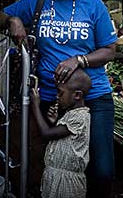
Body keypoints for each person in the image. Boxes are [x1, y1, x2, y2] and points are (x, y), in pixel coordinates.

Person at [0, 0, 117, 198]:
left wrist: (79, 60)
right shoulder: (37, 2)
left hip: (93, 96)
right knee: (53, 161)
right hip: (53, 97)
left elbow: (109, 50)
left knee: (102, 169)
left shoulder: (93, 5)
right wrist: (12, 21)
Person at [30, 69, 91, 198]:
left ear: (77, 95)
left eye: (60, 93)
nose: (57, 96)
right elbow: (62, 140)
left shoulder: (80, 117)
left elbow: (46, 133)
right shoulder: (72, 114)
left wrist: (35, 105)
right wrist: (55, 122)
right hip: (57, 176)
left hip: (66, 182)